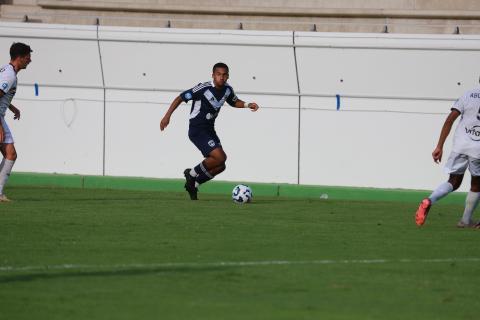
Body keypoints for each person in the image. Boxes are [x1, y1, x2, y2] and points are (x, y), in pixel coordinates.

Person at [160, 62, 259, 200]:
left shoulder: (227, 90)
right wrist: (167, 116)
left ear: (228, 76)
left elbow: (233, 101)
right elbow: (180, 98)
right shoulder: (203, 88)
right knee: (220, 157)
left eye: (224, 75)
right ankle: (192, 173)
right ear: (213, 75)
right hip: (197, 129)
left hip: (210, 130)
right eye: (218, 74)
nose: (221, 78)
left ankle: (193, 184)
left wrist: (248, 105)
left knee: (220, 166)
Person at [415, 85, 480, 227]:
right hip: (478, 149)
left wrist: (439, 145)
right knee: (476, 184)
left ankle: (429, 200)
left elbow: (449, 120)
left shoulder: (468, 94)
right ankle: (465, 220)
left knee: (453, 181)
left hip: (460, 146)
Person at [0, 42, 32, 202]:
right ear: (19, 58)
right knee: (10, 154)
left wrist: (11, 107)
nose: (30, 60)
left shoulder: (6, 70)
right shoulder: (9, 75)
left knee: (10, 154)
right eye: (28, 57)